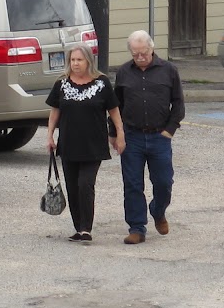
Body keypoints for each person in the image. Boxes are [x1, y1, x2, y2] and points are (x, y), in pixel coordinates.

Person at [46, 47, 126, 243]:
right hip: (69, 144)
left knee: (85, 184)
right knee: (72, 187)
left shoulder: (102, 83)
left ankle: (86, 228)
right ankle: (78, 227)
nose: (75, 63)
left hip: (93, 145)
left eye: (79, 60)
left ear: (88, 61)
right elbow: (55, 111)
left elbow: (114, 110)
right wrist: (49, 136)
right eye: (72, 60)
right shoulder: (62, 83)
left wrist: (120, 133)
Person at [114, 30, 184, 245]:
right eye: (135, 54)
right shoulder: (123, 72)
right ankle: (137, 227)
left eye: (143, 53)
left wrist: (169, 130)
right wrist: (115, 133)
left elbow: (178, 104)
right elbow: (116, 106)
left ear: (151, 48)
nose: (140, 57)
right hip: (132, 136)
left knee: (164, 182)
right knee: (132, 184)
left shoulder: (169, 70)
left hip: (159, 136)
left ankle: (158, 210)